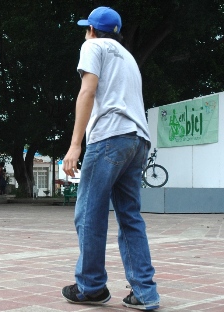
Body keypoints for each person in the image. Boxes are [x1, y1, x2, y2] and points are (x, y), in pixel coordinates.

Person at [60, 7, 159, 310]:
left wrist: (76, 144)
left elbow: (87, 91)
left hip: (109, 139)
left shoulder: (92, 46)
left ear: (91, 29)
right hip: (137, 140)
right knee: (130, 216)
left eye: (85, 28)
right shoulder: (128, 57)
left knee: (90, 213)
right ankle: (145, 292)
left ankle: (91, 287)